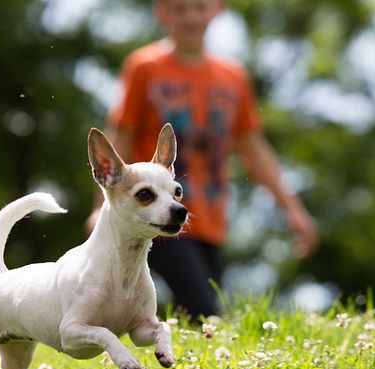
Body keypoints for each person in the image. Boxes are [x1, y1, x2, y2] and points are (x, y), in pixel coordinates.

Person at [86, 0, 319, 319]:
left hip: (209, 217)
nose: (191, 16)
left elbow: (252, 146)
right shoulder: (145, 67)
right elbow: (120, 136)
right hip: (151, 213)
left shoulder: (232, 76)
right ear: (162, 11)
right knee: (204, 310)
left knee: (201, 312)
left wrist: (292, 209)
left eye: (199, 6)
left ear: (217, 9)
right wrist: (100, 207)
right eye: (180, 8)